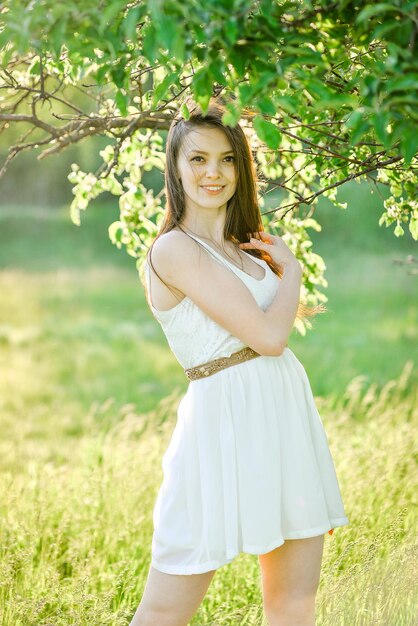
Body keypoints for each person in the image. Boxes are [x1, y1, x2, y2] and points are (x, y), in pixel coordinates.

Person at [130, 98, 349, 626]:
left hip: (281, 415)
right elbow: (271, 338)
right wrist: (291, 269)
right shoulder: (174, 251)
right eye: (199, 159)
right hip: (221, 424)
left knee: (294, 601)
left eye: (228, 159)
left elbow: (270, 342)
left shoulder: (243, 249)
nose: (214, 172)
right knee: (167, 604)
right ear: (175, 168)